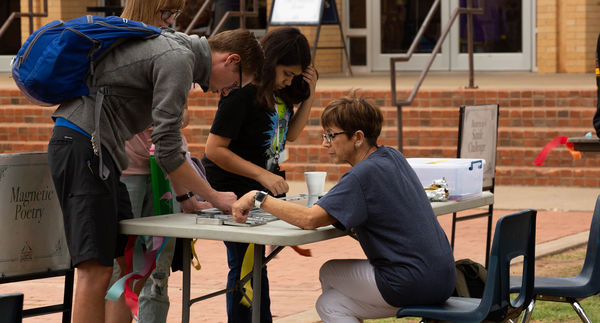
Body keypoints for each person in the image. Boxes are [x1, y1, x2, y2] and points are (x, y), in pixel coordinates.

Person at [46, 19, 264, 323]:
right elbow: (167, 147)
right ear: (231, 60)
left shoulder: (177, 51)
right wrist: (216, 197)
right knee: (94, 269)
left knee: (127, 265)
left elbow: (164, 146)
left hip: (103, 154)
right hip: (84, 148)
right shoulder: (178, 58)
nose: (227, 92)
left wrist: (186, 197)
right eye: (235, 83)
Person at [231, 96, 456, 322]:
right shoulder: (392, 156)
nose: (324, 143)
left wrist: (258, 197)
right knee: (329, 304)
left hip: (408, 282)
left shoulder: (361, 175)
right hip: (443, 279)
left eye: (331, 135)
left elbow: (309, 219)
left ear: (357, 137)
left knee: (329, 272)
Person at [202, 27, 317, 322]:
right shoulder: (241, 94)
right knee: (244, 265)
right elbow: (214, 150)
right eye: (287, 73)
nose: (288, 81)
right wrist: (263, 177)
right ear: (272, 60)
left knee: (255, 264)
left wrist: (309, 96)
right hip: (233, 191)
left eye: (294, 77)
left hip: (258, 193)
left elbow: (290, 135)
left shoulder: (278, 95)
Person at [111, 2, 213, 322]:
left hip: (162, 171)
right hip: (127, 170)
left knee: (158, 269)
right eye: (166, 13)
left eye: (175, 15)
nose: (171, 21)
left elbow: (177, 114)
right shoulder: (120, 42)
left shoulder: (171, 46)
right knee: (122, 268)